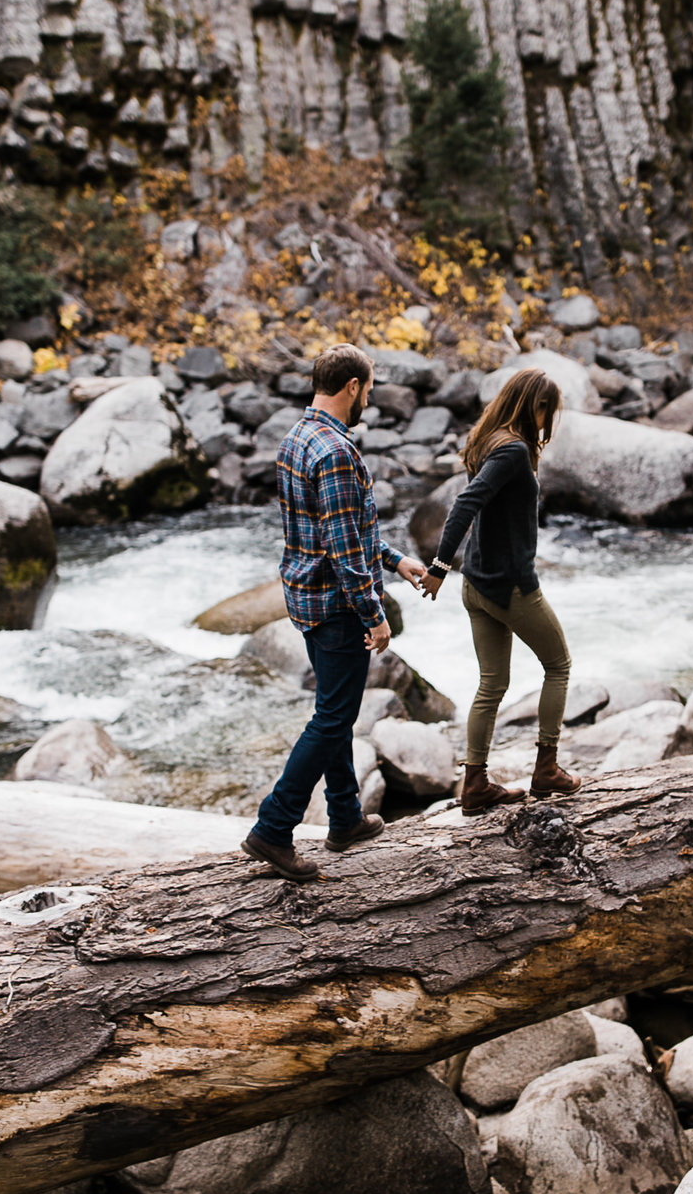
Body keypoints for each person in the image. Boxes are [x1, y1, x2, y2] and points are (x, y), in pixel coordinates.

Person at [244, 343, 431, 879]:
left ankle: (345, 817)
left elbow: (334, 529)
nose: (369, 398)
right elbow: (345, 547)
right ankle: (274, 828)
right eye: (369, 390)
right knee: (331, 719)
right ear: (352, 386)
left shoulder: (298, 439)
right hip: (335, 605)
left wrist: (395, 561)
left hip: (306, 598)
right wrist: (374, 614)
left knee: (337, 711)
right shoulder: (336, 452)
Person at [421, 366, 582, 813]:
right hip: (510, 587)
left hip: (476, 585)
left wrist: (449, 570)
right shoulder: (512, 450)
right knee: (559, 665)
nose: (547, 418)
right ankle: (547, 769)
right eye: (545, 407)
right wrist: (438, 563)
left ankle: (474, 785)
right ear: (533, 404)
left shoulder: (489, 439)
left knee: (491, 685)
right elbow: (465, 502)